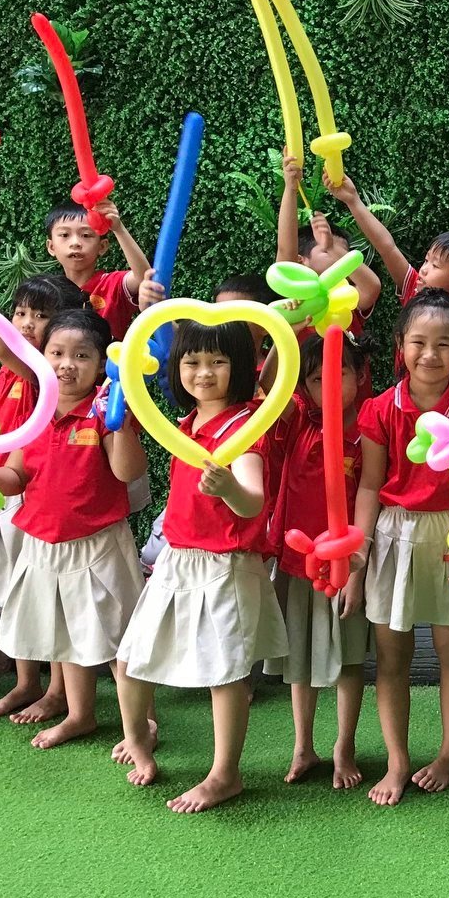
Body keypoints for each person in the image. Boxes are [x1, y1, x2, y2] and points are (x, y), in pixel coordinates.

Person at [113, 319, 285, 814]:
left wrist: (229, 489)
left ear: (240, 367)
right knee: (128, 660)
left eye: (218, 361)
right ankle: (139, 737)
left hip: (226, 563)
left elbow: (253, 501)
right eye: (192, 362)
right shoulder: (186, 424)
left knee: (225, 673)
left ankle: (224, 775)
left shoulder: (245, 426)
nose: (204, 372)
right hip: (177, 559)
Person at [354, 289, 449, 806]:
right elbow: (370, 485)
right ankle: (397, 761)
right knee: (392, 657)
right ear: (400, 344)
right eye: (419, 342)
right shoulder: (379, 409)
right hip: (394, 536)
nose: (430, 355)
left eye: (444, 344)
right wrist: (359, 554)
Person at [0, 309, 146, 750]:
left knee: (120, 639)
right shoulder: (35, 414)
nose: (66, 364)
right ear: (42, 356)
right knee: (67, 634)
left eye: (81, 355)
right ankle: (80, 716)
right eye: (56, 353)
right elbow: (15, 477)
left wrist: (120, 424)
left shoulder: (104, 411)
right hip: (44, 543)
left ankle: (142, 724)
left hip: (98, 544)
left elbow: (127, 472)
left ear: (102, 364)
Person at [0, 265, 84, 723]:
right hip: (3, 493)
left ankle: (59, 691)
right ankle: (28, 683)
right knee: (18, 593)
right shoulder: (10, 374)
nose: (26, 323)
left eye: (40, 315)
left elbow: (0, 345)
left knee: (49, 595)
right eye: (20, 312)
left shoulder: (43, 372)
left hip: (35, 497)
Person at [267, 333, 372, 791]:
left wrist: (358, 574)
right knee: (300, 660)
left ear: (359, 376)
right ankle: (303, 746)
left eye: (338, 372)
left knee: (349, 660)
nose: (327, 384)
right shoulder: (298, 421)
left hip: (347, 568)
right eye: (315, 378)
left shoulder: (367, 430)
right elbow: (268, 385)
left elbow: (371, 500)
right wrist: (288, 330)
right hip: (299, 564)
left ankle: (344, 747)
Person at [328, 173, 449, 402]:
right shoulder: (414, 293)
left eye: (435, 265)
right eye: (426, 260)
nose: (423, 269)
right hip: (404, 408)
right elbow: (387, 247)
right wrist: (353, 200)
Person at [276, 152, 383, 342]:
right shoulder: (295, 297)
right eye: (326, 250)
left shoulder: (348, 298)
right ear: (300, 261)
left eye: (343, 254)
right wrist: (290, 188)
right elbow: (285, 250)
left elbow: (372, 287)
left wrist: (333, 248)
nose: (338, 260)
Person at [44, 197, 149, 339]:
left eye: (86, 235)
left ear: (102, 246)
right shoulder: (47, 293)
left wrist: (118, 229)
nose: (75, 243)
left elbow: (145, 278)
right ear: (51, 247)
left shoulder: (113, 285)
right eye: (64, 235)